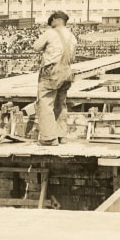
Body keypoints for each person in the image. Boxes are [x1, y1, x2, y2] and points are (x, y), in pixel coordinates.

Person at [32, 11, 77, 146]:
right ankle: (61, 136)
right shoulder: (72, 36)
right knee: (60, 103)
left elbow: (36, 47)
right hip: (67, 72)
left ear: (57, 20)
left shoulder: (50, 33)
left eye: (51, 21)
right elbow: (73, 57)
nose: (50, 24)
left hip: (52, 71)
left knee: (45, 103)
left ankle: (48, 138)